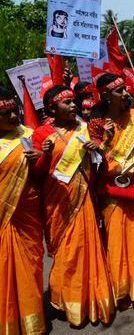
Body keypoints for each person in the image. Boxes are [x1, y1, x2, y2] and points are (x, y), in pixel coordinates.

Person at [32, 85, 114, 325]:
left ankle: (92, 298)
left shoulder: (84, 128)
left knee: (86, 246)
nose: (73, 106)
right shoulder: (41, 133)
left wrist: (99, 147)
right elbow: (37, 173)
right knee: (67, 252)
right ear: (52, 107)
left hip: (84, 197)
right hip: (57, 200)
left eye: (73, 102)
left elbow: (99, 165)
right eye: (67, 103)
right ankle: (70, 300)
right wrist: (45, 155)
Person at [88, 73, 134, 306]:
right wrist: (107, 138)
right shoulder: (95, 122)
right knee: (116, 235)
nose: (126, 94)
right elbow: (95, 157)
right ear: (106, 96)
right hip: (110, 184)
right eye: (120, 91)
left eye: (126, 90)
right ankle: (121, 288)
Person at [0, 89, 46, 334]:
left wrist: (41, 155)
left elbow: (42, 172)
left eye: (14, 110)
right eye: (4, 113)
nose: (12, 115)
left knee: (31, 264)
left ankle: (31, 318)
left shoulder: (29, 134)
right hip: (3, 216)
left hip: (28, 210)